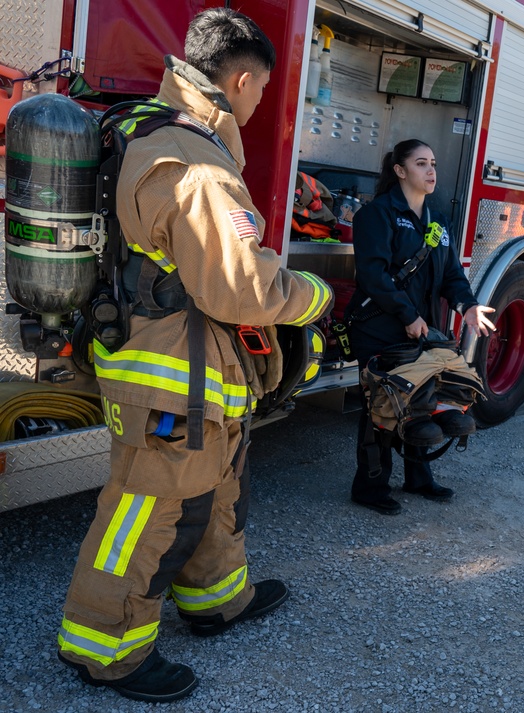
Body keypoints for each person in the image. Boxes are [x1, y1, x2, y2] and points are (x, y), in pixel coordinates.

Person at [56, 9, 333, 703]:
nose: (261, 102)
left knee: (215, 481)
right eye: (262, 90)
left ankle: (216, 598)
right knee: (148, 505)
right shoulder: (197, 163)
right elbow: (241, 285)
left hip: (185, 361)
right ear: (240, 80)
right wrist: (312, 295)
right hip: (169, 369)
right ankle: (102, 646)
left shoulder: (145, 128)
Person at [345, 139, 494, 515]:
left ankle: (418, 478)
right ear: (400, 170)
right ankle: (370, 486)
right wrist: (408, 316)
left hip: (422, 329)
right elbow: (374, 277)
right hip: (379, 327)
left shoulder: (437, 220)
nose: (431, 172)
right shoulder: (375, 215)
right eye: (421, 164)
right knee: (382, 404)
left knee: (422, 399)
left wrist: (469, 306)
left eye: (434, 164)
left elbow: (451, 276)